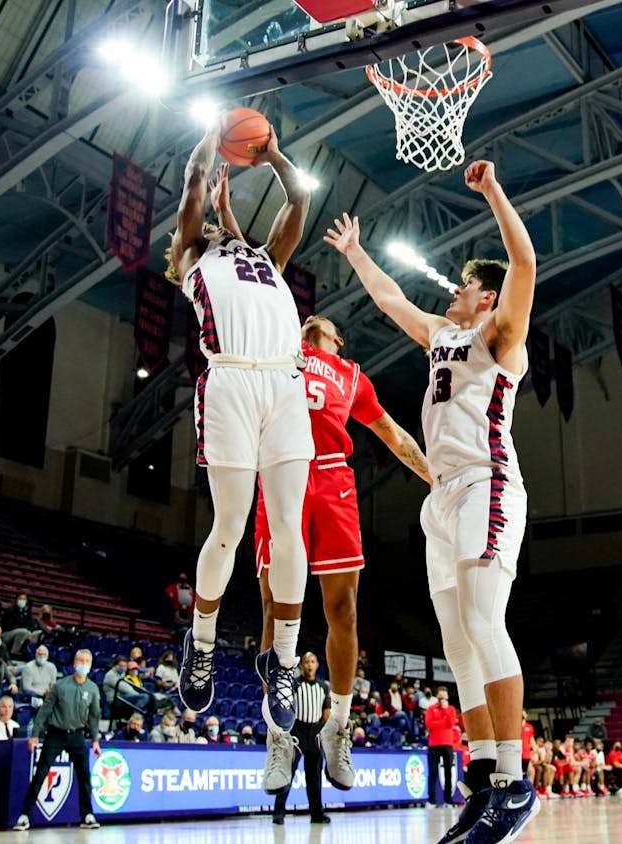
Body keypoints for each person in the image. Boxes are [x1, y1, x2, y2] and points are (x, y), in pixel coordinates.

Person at [324, 159, 539, 844]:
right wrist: (356, 253)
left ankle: (515, 779)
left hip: (487, 482)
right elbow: (391, 302)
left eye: (468, 285)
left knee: (483, 620)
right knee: (456, 643)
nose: (457, 290)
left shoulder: (500, 337)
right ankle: (483, 780)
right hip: (442, 496)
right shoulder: (444, 338)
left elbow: (524, 261)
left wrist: (493, 191)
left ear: (485, 298)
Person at [165, 123, 315, 733]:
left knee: (287, 529)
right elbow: (195, 185)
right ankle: (200, 644)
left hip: (285, 384)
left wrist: (275, 155)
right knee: (230, 524)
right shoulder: (193, 256)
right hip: (228, 381)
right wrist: (211, 131)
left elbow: (299, 200)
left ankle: (280, 658)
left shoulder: (266, 259)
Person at [245, 312, 430, 791]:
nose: (310, 320)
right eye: (304, 319)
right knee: (272, 606)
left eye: (320, 322)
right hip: (282, 470)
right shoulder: (280, 352)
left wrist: (437, 479)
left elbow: (392, 433)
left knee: (342, 608)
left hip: (332, 479)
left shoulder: (351, 376)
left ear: (339, 338)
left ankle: (338, 726)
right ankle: (278, 735)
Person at [13, 650, 103, 831]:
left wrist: (95, 739)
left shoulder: (92, 688)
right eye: (81, 661)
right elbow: (44, 712)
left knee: (84, 775)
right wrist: (35, 735)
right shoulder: (60, 686)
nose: (83, 664)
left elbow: (94, 716)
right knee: (41, 773)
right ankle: (25, 815)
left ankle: (87, 815)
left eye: (87, 661)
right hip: (56, 734)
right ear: (74, 663)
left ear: (91, 665)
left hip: (77, 734)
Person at [269, 653, 330, 826]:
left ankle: (317, 814)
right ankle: (278, 813)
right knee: (287, 773)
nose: (310, 665)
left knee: (315, 778)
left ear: (317, 664)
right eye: (306, 662)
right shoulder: (295, 684)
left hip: (315, 732)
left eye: (313, 661)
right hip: (297, 732)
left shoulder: (323, 687)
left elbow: (326, 712)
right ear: (301, 665)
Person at [426, 687, 460, 807]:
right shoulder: (431, 709)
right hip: (434, 744)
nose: (442, 700)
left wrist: (445, 711)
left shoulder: (450, 709)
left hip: (447, 744)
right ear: (437, 697)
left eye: (444, 697)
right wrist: (442, 721)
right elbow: (429, 724)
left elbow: (451, 723)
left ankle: (448, 800)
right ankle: (431, 800)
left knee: (448, 773)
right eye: (440, 697)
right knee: (433, 772)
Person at [0, 593, 37, 658]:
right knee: (23, 631)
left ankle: (30, 655)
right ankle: (13, 653)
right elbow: (9, 625)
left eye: (24, 599)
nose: (22, 601)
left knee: (37, 633)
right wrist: (26, 630)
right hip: (7, 634)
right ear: (17, 600)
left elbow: (32, 624)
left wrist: (30, 631)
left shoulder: (27, 612)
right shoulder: (10, 611)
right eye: (20, 599)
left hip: (24, 632)